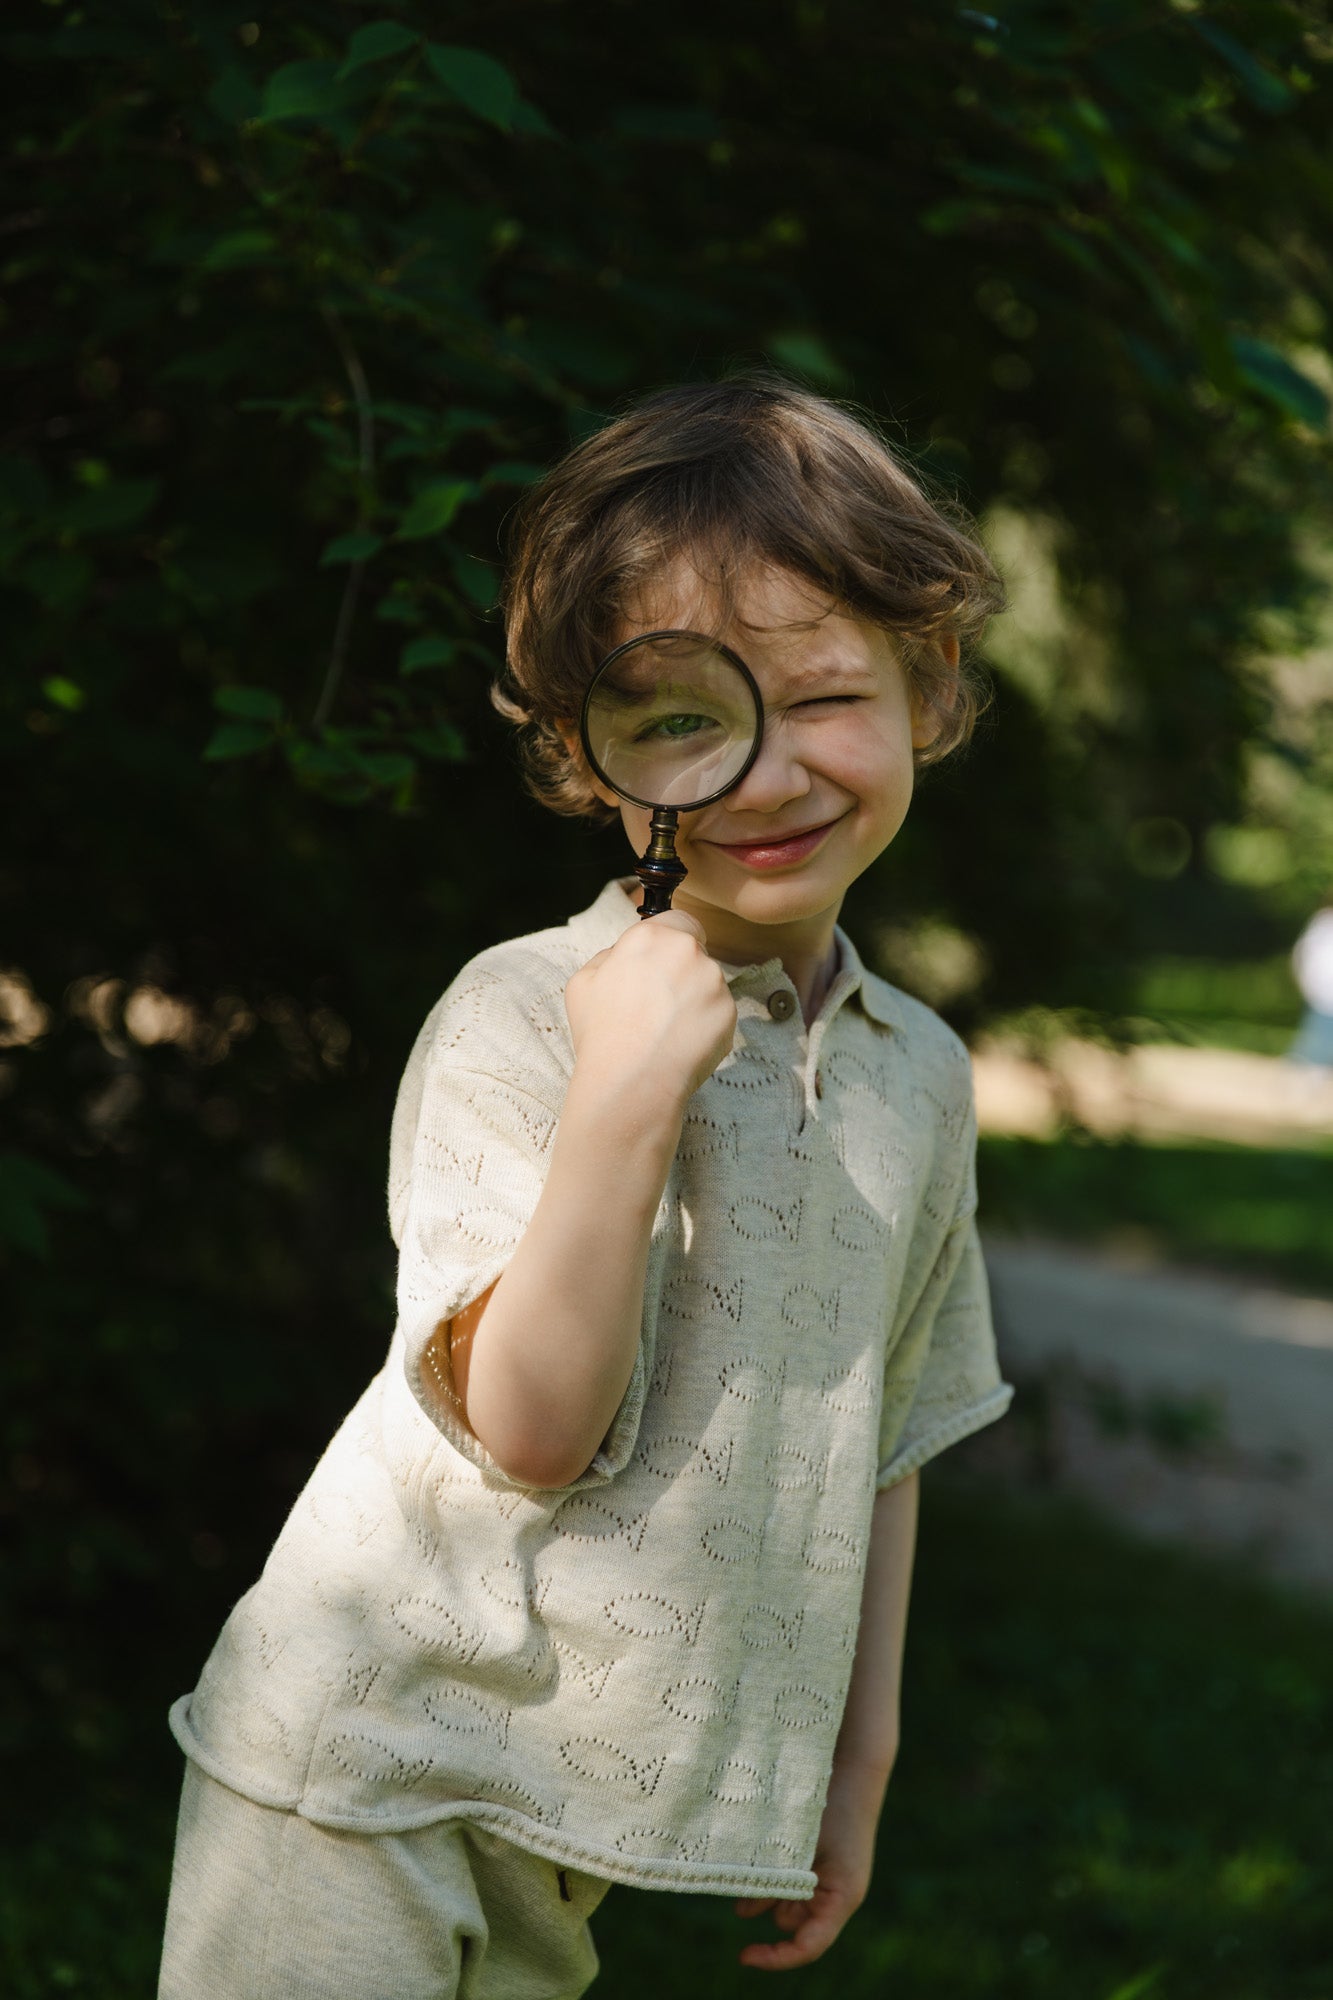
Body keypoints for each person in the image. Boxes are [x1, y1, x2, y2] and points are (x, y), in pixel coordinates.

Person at [159, 375, 1015, 1998]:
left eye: (824, 695)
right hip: (361, 1776)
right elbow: (530, 1428)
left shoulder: (917, 1072)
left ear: (930, 685)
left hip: (566, 1829)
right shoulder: (527, 1016)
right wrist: (627, 1094)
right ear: (582, 754)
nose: (762, 776)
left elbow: (885, 1425)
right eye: (687, 717)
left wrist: (856, 1758)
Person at [1288, 900, 1333, 1072]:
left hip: (1322, 991)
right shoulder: (1323, 923)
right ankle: (1303, 1069)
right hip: (1321, 991)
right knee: (1317, 1034)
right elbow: (1304, 952)